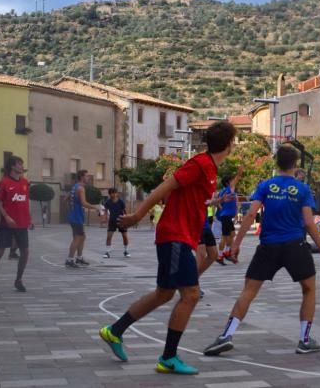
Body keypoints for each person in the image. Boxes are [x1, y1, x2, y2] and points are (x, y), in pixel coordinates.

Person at [98, 121, 237, 375]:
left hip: (179, 236)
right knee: (191, 295)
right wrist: (138, 214)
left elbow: (194, 198)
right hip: (175, 236)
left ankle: (114, 331)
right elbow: (165, 187)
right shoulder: (200, 164)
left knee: (164, 294)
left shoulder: (209, 169)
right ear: (229, 144)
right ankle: (168, 357)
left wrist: (217, 200)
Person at [203, 145, 320, 357]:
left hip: (268, 246)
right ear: (295, 164)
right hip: (294, 246)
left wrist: (236, 244)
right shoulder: (302, 189)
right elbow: (308, 222)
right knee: (309, 289)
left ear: (276, 163)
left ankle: (226, 335)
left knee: (249, 291)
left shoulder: (265, 186)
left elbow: (251, 214)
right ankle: (305, 340)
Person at [0, 156, 31, 293]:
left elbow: (25, 202)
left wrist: (29, 219)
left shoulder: (25, 182)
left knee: (25, 252)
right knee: (0, 251)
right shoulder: (4, 182)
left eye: (22, 164)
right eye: (19, 164)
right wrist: (6, 217)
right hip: (7, 224)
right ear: (12, 166)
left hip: (22, 224)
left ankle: (18, 280)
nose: (21, 166)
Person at [66, 170, 102, 267]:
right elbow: (84, 203)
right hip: (77, 217)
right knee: (78, 238)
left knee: (81, 237)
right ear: (82, 177)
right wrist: (96, 207)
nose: (88, 178)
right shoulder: (81, 188)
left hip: (74, 216)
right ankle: (69, 260)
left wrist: (71, 208)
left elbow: (66, 199)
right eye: (86, 176)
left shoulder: (74, 187)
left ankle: (79, 258)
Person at [214, 168, 243, 264]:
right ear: (228, 182)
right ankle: (220, 256)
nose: (233, 181)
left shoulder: (223, 191)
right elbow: (238, 177)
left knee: (232, 234)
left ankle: (226, 252)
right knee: (224, 237)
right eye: (231, 180)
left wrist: (221, 207)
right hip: (225, 216)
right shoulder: (229, 189)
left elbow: (217, 201)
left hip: (226, 216)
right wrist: (239, 172)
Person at [103, 189, 129, 258]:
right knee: (109, 237)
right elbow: (105, 211)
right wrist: (105, 218)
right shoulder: (108, 202)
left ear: (117, 193)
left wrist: (127, 219)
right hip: (112, 221)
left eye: (115, 193)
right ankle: (107, 252)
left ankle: (126, 251)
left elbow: (124, 211)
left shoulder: (121, 202)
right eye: (112, 193)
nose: (114, 195)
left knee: (125, 236)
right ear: (110, 194)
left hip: (121, 221)